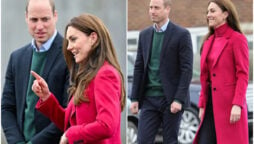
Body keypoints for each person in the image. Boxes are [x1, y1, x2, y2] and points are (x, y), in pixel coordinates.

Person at [31, 13, 126, 144]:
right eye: (68, 41)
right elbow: (71, 122)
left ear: (93, 38)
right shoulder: (87, 76)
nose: (69, 47)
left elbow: (106, 126)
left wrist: (71, 134)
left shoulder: (105, 74)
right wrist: (47, 97)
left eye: (73, 39)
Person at [1, 0, 69, 143]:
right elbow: (7, 107)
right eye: (34, 19)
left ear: (55, 16)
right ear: (26, 17)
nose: (39, 26)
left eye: (45, 19)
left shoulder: (70, 55)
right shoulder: (17, 58)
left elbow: (68, 112)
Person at [129, 0, 193, 143]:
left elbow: (186, 70)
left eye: (156, 8)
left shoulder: (182, 34)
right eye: (150, 8)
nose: (152, 11)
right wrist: (134, 98)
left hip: (170, 99)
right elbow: (139, 67)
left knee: (170, 140)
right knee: (143, 140)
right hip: (149, 99)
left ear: (167, 9)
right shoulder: (144, 35)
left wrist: (178, 99)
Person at [193, 0, 249, 144]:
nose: (208, 15)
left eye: (212, 11)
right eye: (208, 12)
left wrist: (237, 104)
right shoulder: (208, 41)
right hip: (210, 105)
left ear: (225, 14)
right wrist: (201, 105)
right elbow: (205, 77)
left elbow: (243, 74)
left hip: (230, 107)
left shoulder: (237, 39)